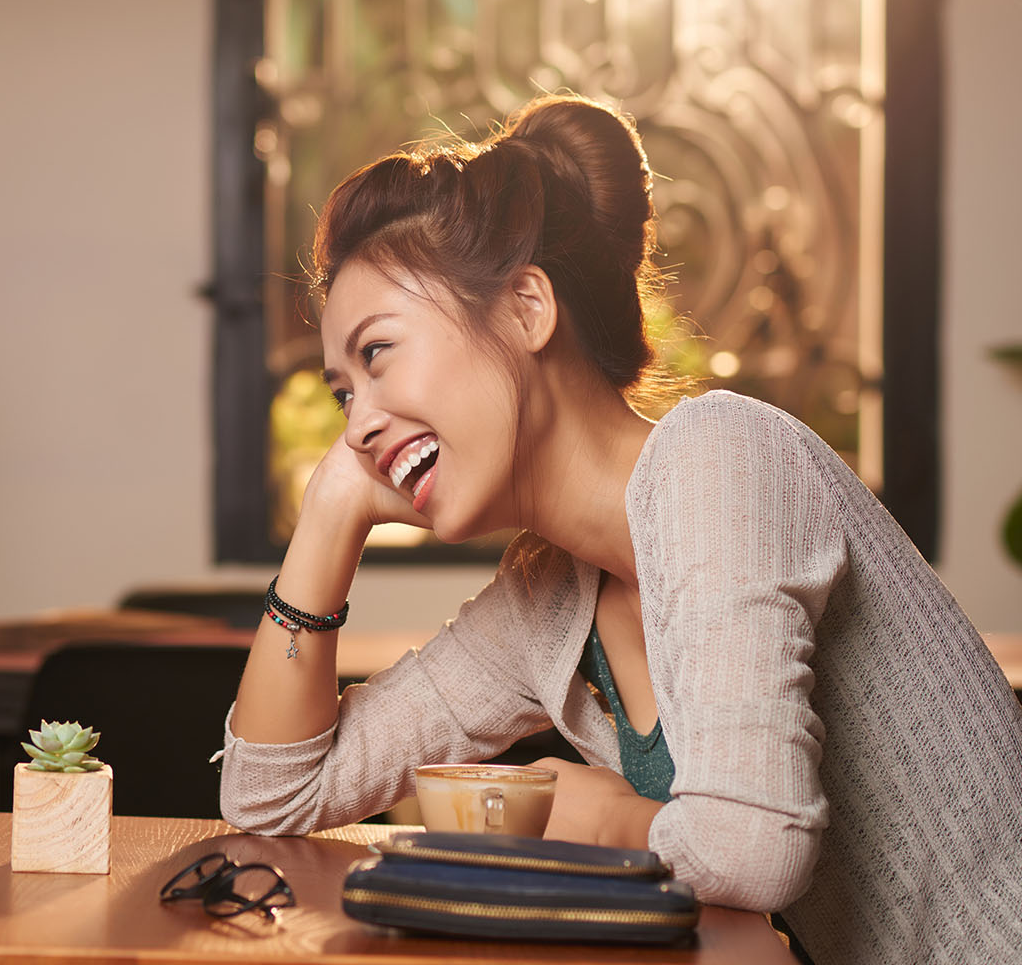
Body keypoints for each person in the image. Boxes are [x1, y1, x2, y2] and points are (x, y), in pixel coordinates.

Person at [217, 93, 1022, 964]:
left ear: (527, 308)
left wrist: (606, 818)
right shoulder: (546, 599)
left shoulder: (723, 459)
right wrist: (331, 516)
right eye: (343, 395)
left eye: (377, 355)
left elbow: (756, 847)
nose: (358, 422)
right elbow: (272, 799)